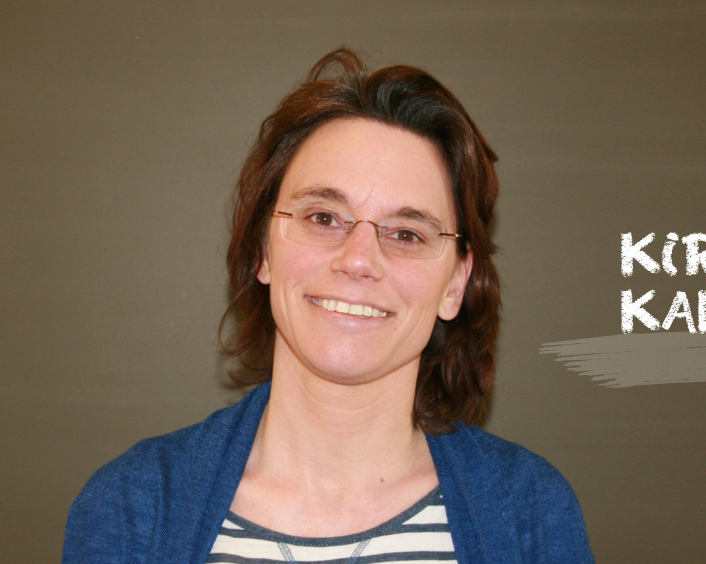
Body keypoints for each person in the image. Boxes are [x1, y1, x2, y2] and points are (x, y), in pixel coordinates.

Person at [62, 48, 593, 564]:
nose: (358, 259)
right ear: (264, 249)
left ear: (456, 283)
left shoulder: (531, 512)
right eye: (323, 218)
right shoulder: (130, 508)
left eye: (406, 233)